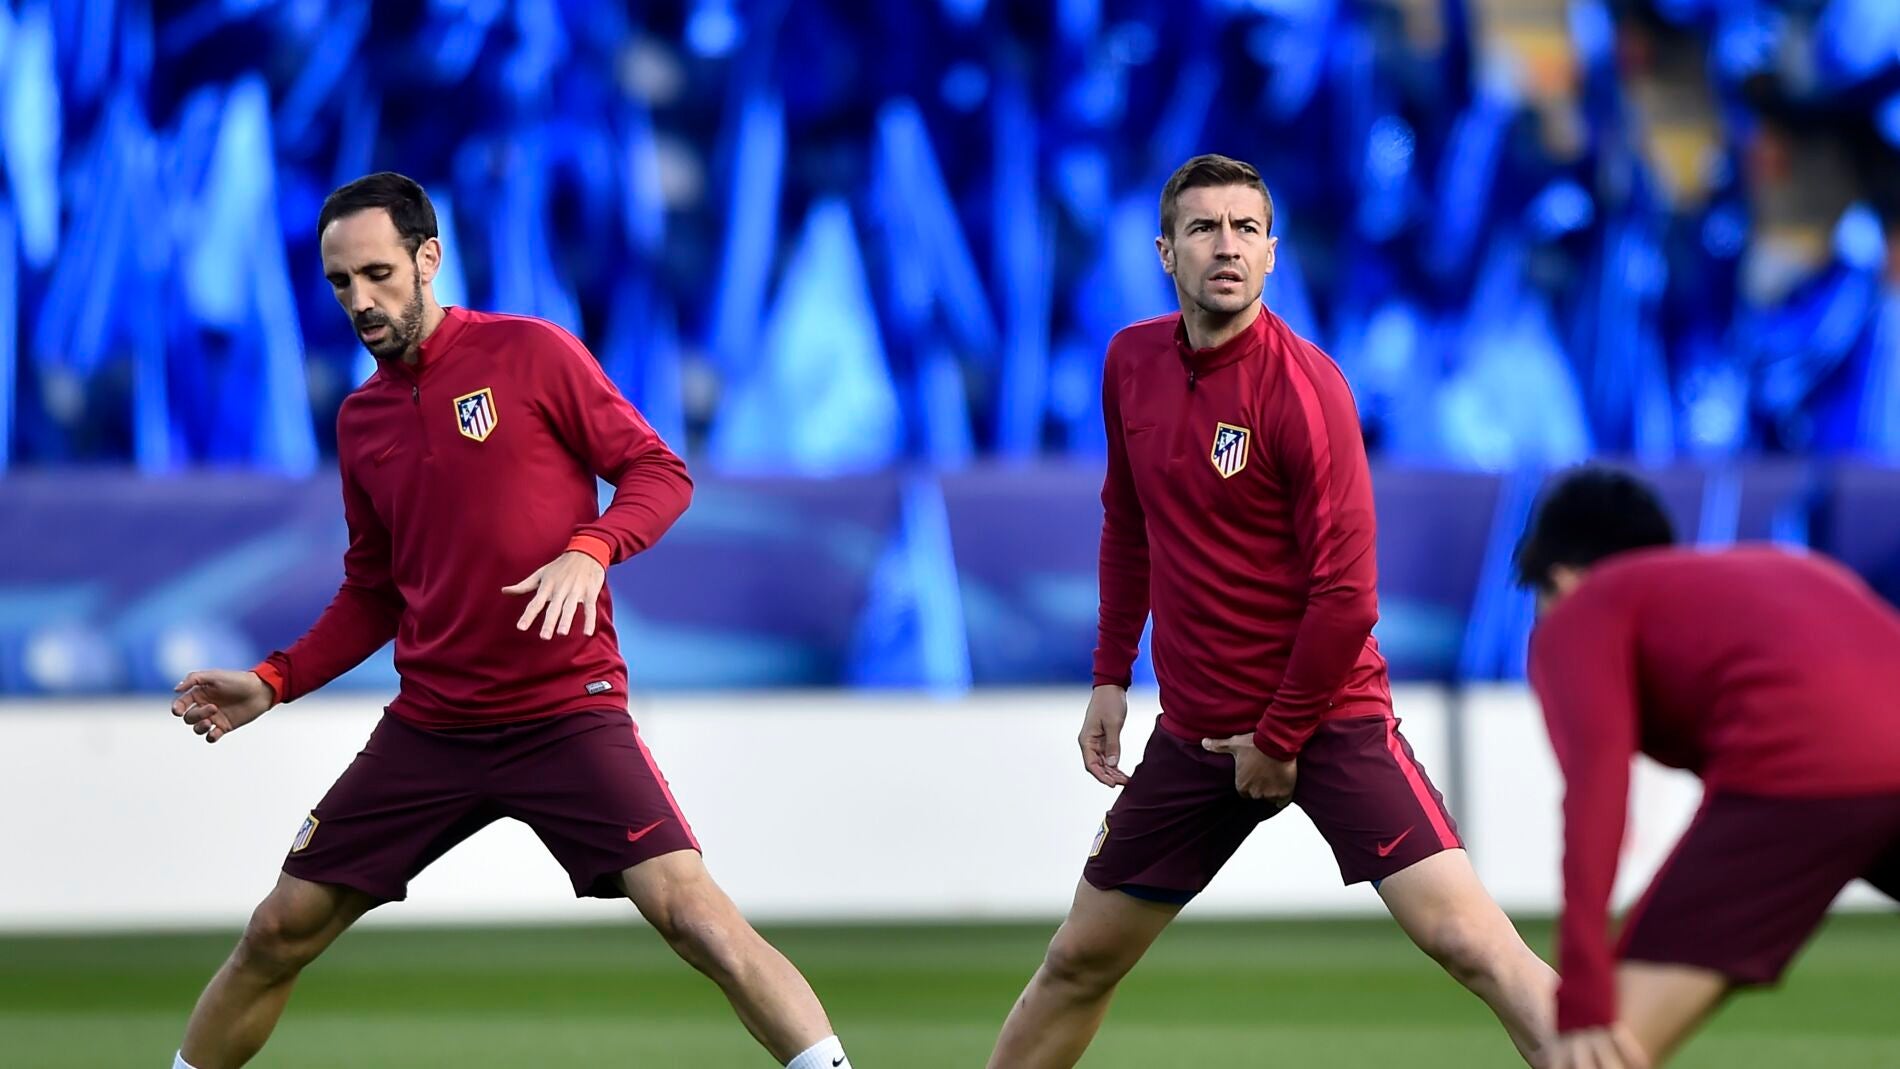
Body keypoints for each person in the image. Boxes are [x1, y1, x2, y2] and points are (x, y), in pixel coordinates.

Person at [167, 172, 852, 1069]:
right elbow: (376, 590)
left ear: (429, 258)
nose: (360, 302)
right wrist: (273, 680)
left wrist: (592, 546)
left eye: (377, 274)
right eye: (340, 284)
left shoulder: (533, 354)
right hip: (435, 727)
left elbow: (659, 472)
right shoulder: (361, 420)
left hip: (566, 709)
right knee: (275, 930)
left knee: (696, 916)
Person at [985, 154, 1557, 1068]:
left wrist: (1283, 737)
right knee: (1078, 959)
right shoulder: (1129, 361)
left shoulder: (1305, 388)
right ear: (1165, 251)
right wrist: (1108, 673)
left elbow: (1346, 597)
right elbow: (1127, 524)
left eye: (1246, 229)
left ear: (1272, 254)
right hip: (1197, 735)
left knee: (1471, 942)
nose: (1227, 247)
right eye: (1205, 228)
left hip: (1326, 720)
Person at [1515, 466, 1900, 1069]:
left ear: (1559, 576)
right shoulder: (1766, 570)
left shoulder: (1584, 609)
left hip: (1796, 770)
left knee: (1598, 1055)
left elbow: (1598, 792)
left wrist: (1584, 987)